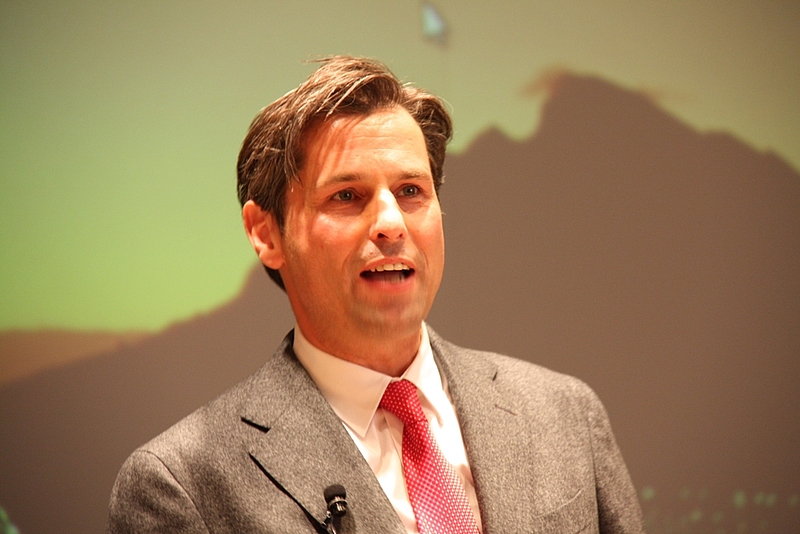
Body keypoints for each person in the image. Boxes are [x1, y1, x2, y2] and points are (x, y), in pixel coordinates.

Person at [106, 56, 644, 533]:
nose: (391, 223)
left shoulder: (565, 414)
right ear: (266, 234)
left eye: (411, 191)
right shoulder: (181, 485)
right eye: (347, 196)